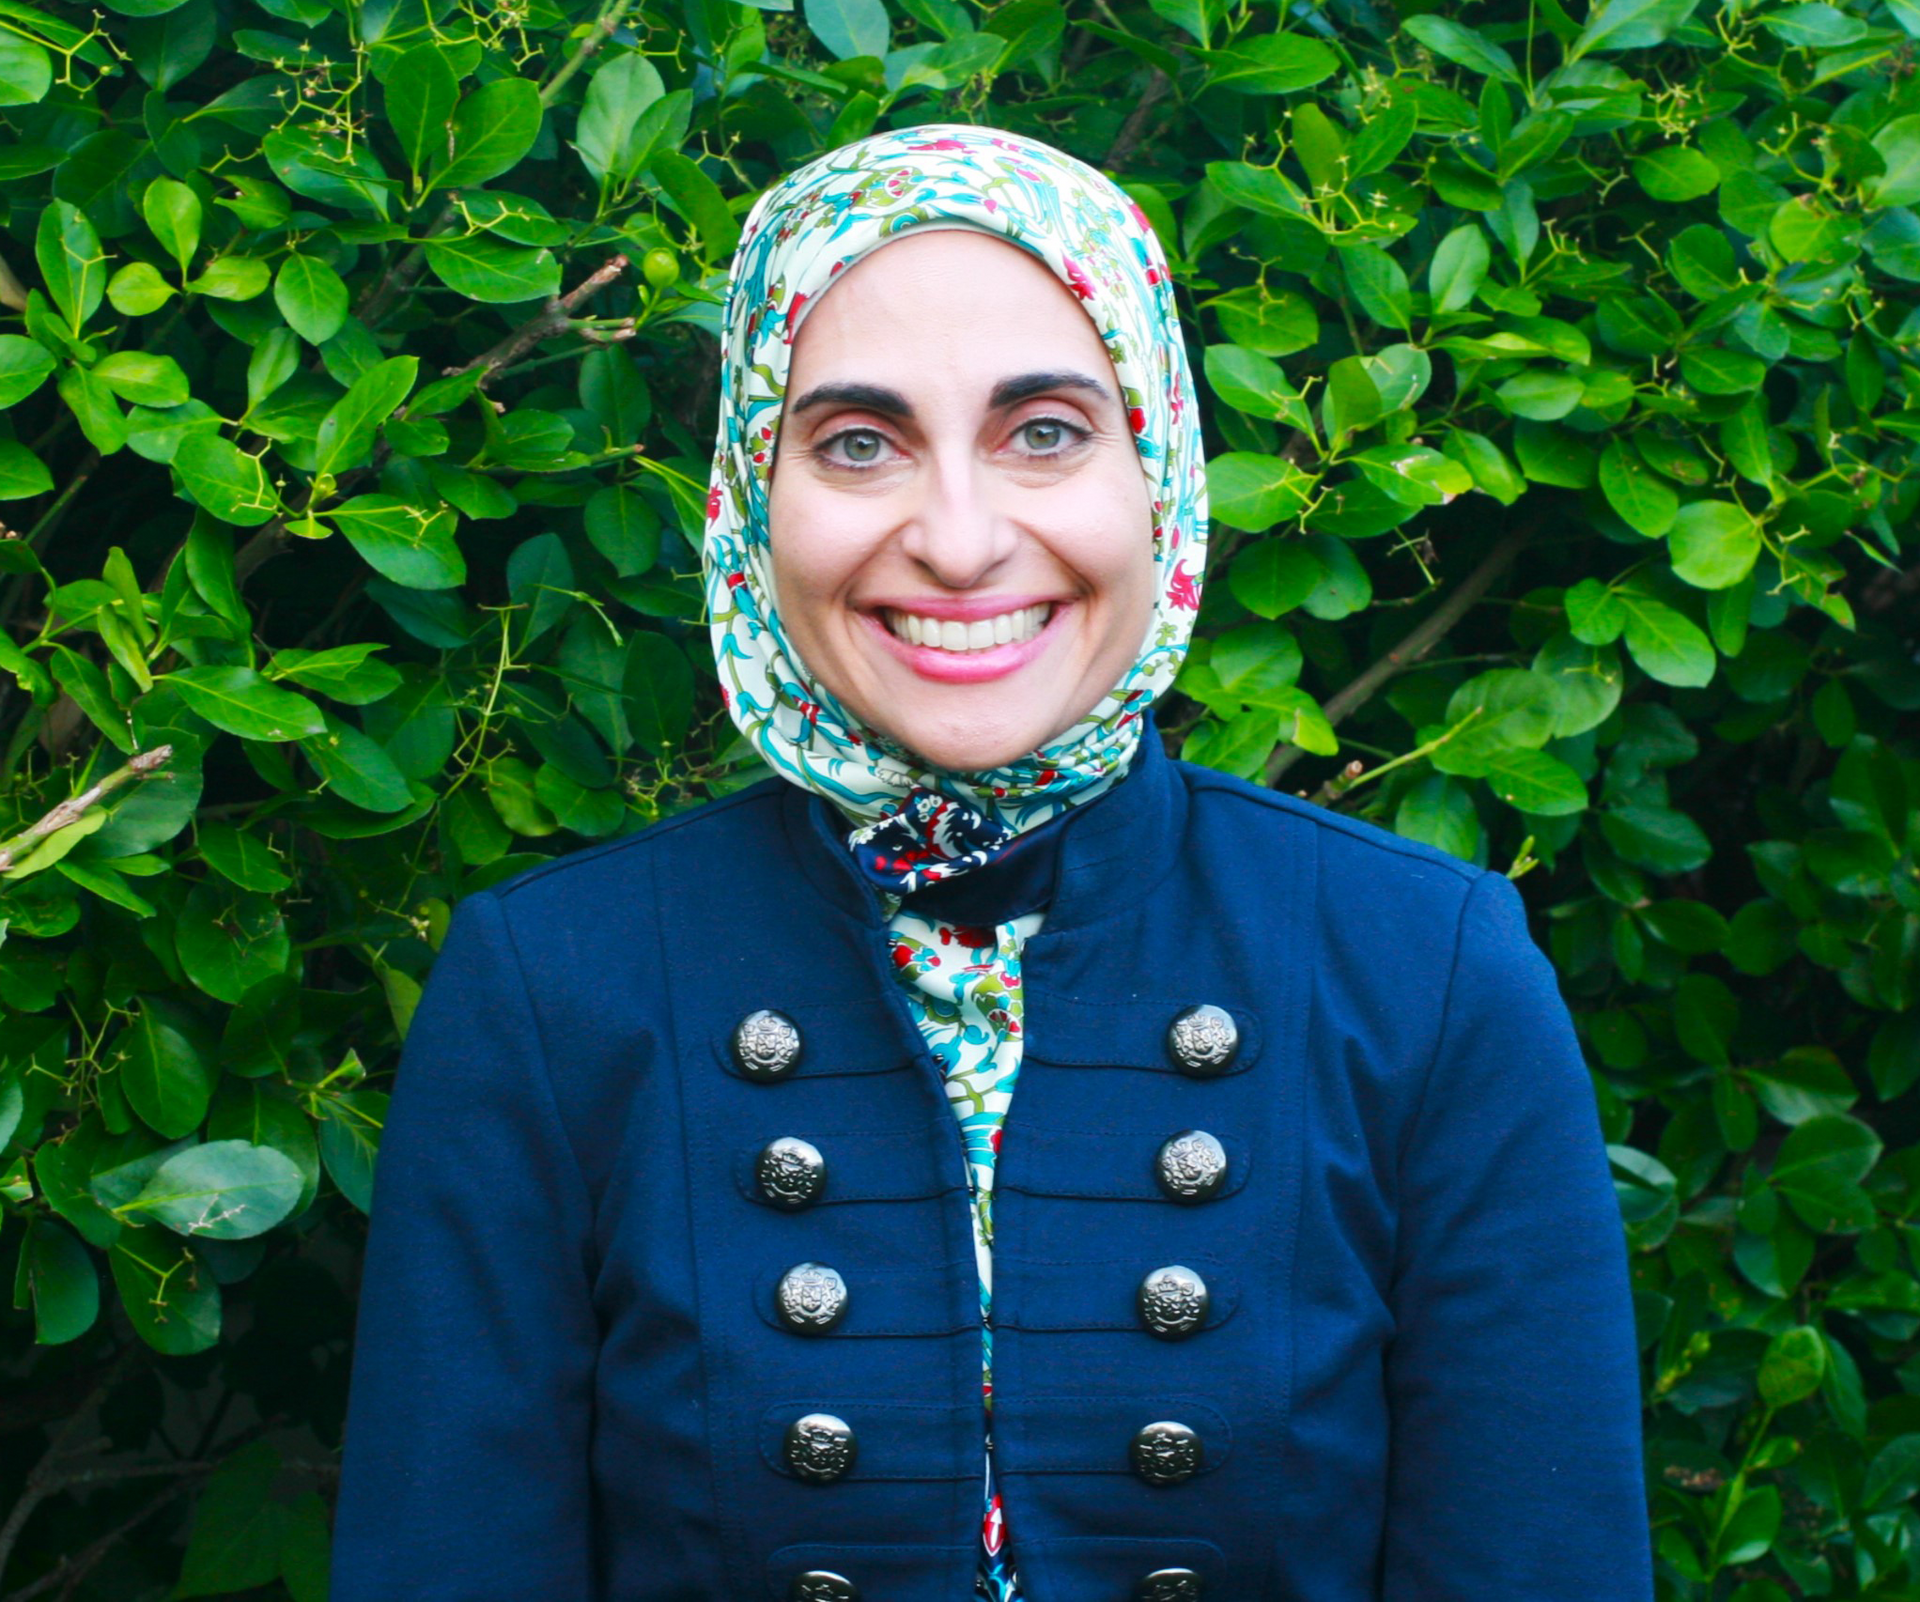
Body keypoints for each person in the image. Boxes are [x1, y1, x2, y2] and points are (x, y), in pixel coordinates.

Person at [331, 124, 1651, 1602]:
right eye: (857, 443)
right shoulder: (553, 990)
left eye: (1045, 432)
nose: (959, 544)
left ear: (1157, 465)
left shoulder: (1424, 974)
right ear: (751, 494)